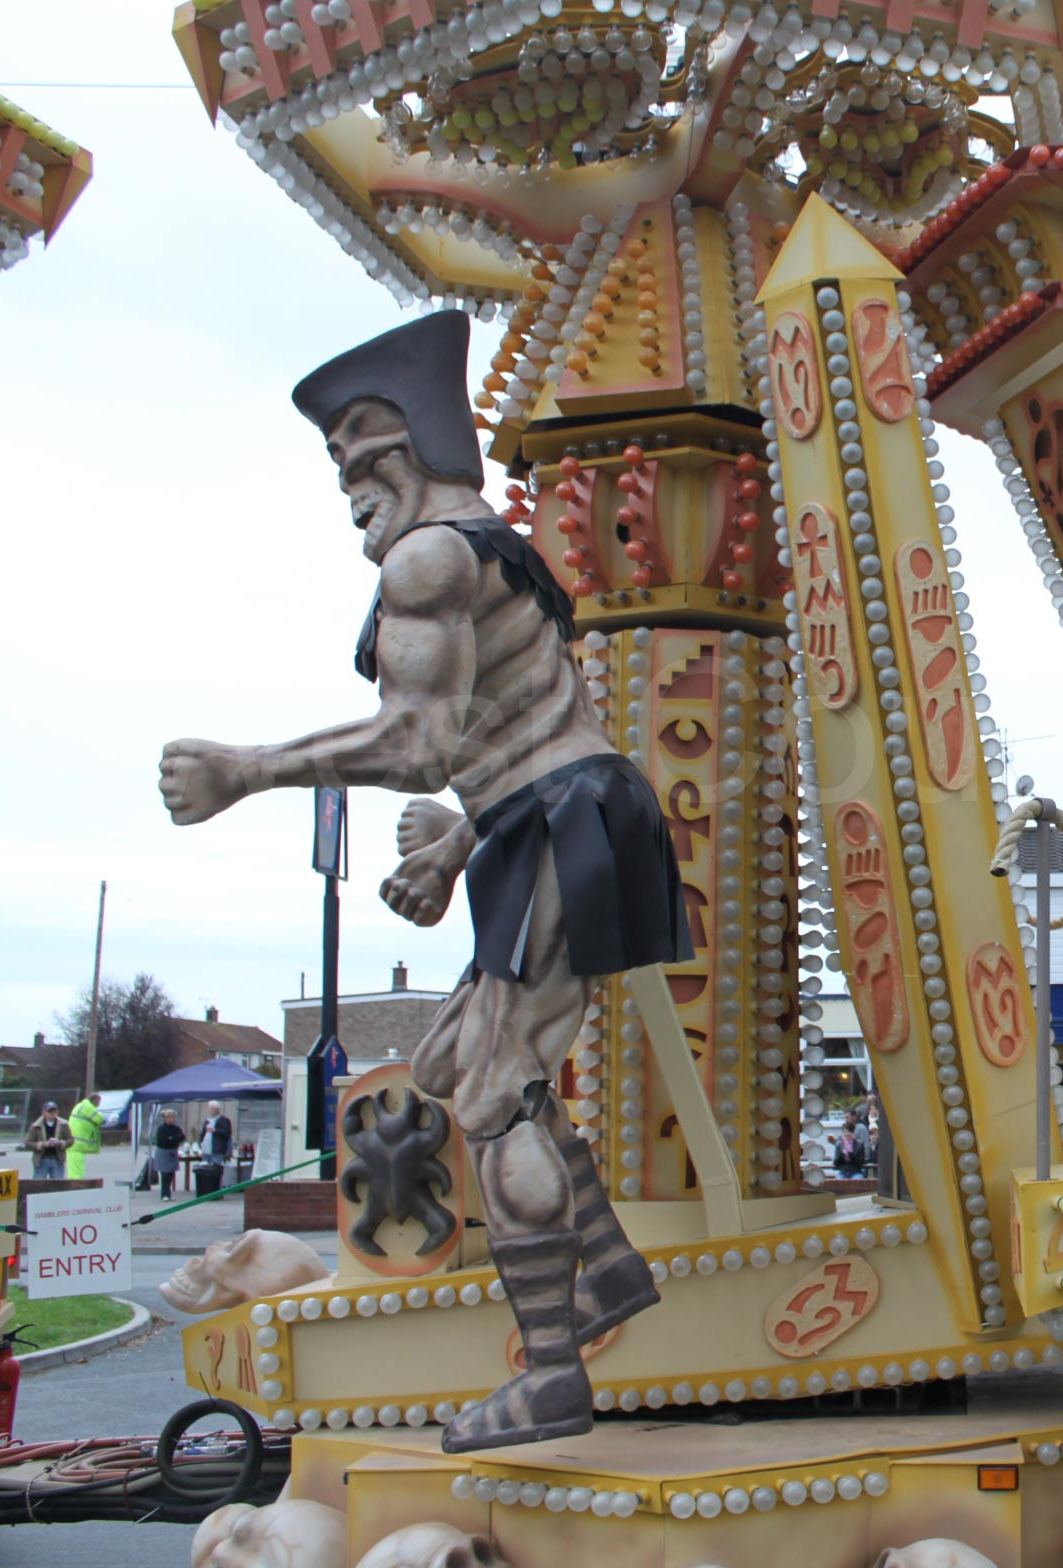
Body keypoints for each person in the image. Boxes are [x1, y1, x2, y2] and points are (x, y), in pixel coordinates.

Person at [158, 312, 688, 1453]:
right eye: (339, 462)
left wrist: (247, 769)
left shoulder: (430, 558)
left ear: (420, 443)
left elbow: (418, 742)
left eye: (365, 451)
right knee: (452, 1063)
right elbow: (518, 721)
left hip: (562, 820)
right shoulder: (493, 548)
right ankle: (606, 1267)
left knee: (494, 1091)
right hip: (554, 814)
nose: (351, 483)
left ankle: (553, 1374)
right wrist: (457, 848)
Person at [23, 1102, 70, 1181]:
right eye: (49, 1111)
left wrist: (60, 1143)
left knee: (57, 1186)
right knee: (38, 1185)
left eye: (54, 1111)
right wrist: (43, 1144)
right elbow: (27, 1143)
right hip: (41, 1161)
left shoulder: (64, 1124)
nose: (52, 1113)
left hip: (57, 1160)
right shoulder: (35, 1126)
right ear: (43, 1112)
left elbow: (71, 1140)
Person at [67, 1091, 103, 1180]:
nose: (98, 1105)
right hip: (77, 1144)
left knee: (74, 1169)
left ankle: (74, 1184)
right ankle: (76, 1185)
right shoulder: (87, 1106)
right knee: (77, 1171)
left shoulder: (81, 1106)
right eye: (98, 1102)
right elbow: (99, 1118)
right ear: (94, 1100)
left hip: (74, 1144)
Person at [199, 1101, 234, 1192]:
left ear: (216, 1109)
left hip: (217, 1150)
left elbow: (227, 1133)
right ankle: (206, 1189)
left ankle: (216, 1189)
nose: (209, 1110)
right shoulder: (207, 1120)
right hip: (206, 1150)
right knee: (205, 1171)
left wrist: (215, 1130)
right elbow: (203, 1133)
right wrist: (201, 1143)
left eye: (211, 1108)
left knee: (216, 1170)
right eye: (209, 1108)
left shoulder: (224, 1120)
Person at [152, 1107, 185, 1200]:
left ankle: (168, 1193)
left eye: (173, 1118)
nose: (172, 1119)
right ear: (165, 1118)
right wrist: (173, 1139)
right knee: (165, 1174)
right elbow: (162, 1140)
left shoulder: (176, 1128)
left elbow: (182, 1137)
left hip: (173, 1151)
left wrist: (172, 1138)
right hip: (163, 1152)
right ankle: (164, 1194)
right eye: (170, 1117)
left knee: (171, 1173)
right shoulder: (161, 1129)